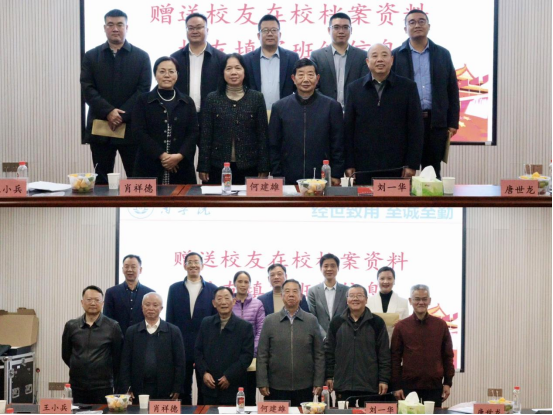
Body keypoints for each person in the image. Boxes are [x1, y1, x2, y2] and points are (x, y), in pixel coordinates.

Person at [81, 9, 152, 185]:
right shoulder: (91, 56)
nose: (115, 29)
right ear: (104, 28)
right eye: (110, 24)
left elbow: (143, 90)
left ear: (126, 27)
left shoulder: (141, 56)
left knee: (137, 179)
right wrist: (108, 112)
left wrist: (120, 115)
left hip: (131, 127)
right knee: (101, 180)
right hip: (101, 126)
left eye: (120, 24)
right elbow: (87, 88)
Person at [392, 9, 460, 179]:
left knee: (432, 172)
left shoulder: (442, 54)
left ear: (429, 26)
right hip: (405, 122)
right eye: (412, 22)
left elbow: (452, 89)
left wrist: (453, 122)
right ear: (405, 28)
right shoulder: (395, 55)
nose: (417, 25)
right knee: (404, 172)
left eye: (421, 21)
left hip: (434, 122)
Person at [344, 44, 424, 185]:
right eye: (374, 56)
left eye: (384, 55)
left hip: (398, 165)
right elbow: (348, 129)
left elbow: (416, 128)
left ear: (392, 60)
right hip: (363, 165)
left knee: (395, 199)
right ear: (367, 62)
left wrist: (412, 164)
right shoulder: (354, 89)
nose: (380, 59)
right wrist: (349, 163)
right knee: (365, 199)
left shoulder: (408, 87)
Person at [269, 59, 345, 185]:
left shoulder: (332, 106)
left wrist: (336, 173)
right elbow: (273, 145)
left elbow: (338, 144)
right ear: (293, 78)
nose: (305, 79)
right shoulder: (279, 107)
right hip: (288, 176)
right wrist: (277, 174)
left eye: (310, 75)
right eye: (301, 75)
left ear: (317, 78)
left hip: (322, 175)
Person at [198, 53, 270, 185]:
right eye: (228, 68)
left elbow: (262, 135)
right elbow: (206, 135)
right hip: (217, 165)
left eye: (238, 68)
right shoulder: (212, 98)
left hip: (249, 165)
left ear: (244, 71)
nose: (233, 72)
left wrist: (264, 167)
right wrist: (203, 165)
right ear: (223, 72)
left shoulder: (257, 98)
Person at [257, 280, 325, 406]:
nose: (291, 295)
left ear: (301, 296)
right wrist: (262, 382)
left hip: (305, 385)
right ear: (282, 296)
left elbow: (319, 354)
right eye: (287, 291)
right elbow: (262, 354)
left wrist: (318, 381)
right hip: (275, 386)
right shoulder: (270, 320)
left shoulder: (311, 320)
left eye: (295, 291)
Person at [132, 56, 199, 185]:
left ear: (177, 75)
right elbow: (138, 132)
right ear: (155, 75)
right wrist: (162, 156)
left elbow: (193, 133)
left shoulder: (187, 101)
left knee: (182, 198)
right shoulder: (143, 100)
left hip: (181, 165)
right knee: (147, 199)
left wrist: (179, 156)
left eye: (171, 71)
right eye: (162, 71)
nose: (167, 75)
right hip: (149, 164)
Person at [325, 285, 392, 406]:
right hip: (342, 385)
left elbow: (384, 354)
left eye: (359, 295)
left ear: (366, 299)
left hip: (370, 386)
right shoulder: (336, 322)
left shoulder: (377, 322)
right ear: (347, 300)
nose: (355, 299)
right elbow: (329, 352)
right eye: (351, 296)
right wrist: (329, 376)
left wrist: (384, 380)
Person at [166, 252, 218, 405]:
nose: (193, 265)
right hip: (181, 346)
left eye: (196, 262)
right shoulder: (174, 289)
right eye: (190, 262)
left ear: (202, 266)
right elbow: (170, 319)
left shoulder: (212, 289)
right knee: (182, 389)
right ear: (184, 266)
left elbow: (215, 322)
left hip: (205, 348)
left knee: (205, 388)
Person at [391, 284, 454, 408]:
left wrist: (448, 382)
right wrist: (396, 386)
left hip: (434, 386)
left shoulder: (440, 325)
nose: (421, 302)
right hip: (408, 386)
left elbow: (447, 356)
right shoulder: (401, 326)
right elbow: (395, 358)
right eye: (417, 299)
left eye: (424, 299)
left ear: (429, 300)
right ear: (410, 301)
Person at [62, 286, 123, 404]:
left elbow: (118, 357)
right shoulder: (71, 326)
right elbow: (66, 355)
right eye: (89, 300)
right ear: (82, 302)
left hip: (103, 387)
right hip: (77, 386)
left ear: (102, 303)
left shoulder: (113, 327)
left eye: (97, 300)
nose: (93, 303)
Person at [119, 293, 185, 400]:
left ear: (161, 308)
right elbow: (125, 362)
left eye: (155, 305)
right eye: (147, 304)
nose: (151, 308)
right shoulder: (132, 331)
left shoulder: (173, 331)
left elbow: (180, 363)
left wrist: (177, 388)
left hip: (166, 389)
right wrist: (127, 387)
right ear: (142, 307)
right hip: (138, 388)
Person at [195, 287, 255, 405]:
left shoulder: (245, 327)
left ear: (234, 301)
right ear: (214, 303)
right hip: (210, 386)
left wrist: (229, 376)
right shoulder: (206, 323)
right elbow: (198, 351)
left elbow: (246, 356)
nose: (223, 302)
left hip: (234, 386)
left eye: (227, 298)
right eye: (219, 299)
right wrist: (204, 372)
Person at [170, 13, 227, 119]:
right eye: (190, 28)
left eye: (199, 27)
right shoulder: (175, 58)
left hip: (213, 116)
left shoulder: (221, 58)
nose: (194, 31)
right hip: (182, 116)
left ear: (207, 30)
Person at [310, 13, 370, 108]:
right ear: (329, 30)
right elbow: (313, 86)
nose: (341, 31)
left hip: (354, 110)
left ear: (351, 30)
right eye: (336, 27)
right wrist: (328, 106)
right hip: (325, 110)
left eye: (345, 27)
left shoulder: (362, 56)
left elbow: (364, 86)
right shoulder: (317, 56)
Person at [243, 15, 300, 110]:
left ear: (280, 34)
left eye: (274, 30)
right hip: (255, 114)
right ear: (258, 35)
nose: (270, 34)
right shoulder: (246, 60)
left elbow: (298, 88)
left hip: (285, 112)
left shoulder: (292, 58)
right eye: (265, 30)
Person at [232, 271, 266, 405]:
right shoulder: (228, 302)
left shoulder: (257, 304)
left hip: (252, 358)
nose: (243, 285)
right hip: (232, 358)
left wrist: (251, 351)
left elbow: (261, 330)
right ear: (234, 283)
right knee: (232, 395)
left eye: (246, 282)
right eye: (240, 281)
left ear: (250, 284)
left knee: (250, 395)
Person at [103, 254, 154, 335]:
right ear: (122, 269)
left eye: (133, 267)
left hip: (143, 337)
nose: (129, 270)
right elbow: (107, 319)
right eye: (126, 267)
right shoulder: (111, 292)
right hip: (118, 338)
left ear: (140, 270)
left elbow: (152, 319)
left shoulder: (150, 293)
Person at [307, 253, 349, 338]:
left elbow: (348, 314)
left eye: (333, 266)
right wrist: (325, 336)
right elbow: (312, 317)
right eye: (326, 266)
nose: (329, 269)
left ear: (338, 268)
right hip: (319, 338)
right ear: (321, 268)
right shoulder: (313, 291)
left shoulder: (347, 291)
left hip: (342, 337)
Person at [367, 267, 410, 344]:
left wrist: (401, 325)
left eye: (389, 278)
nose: (385, 281)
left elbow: (407, 326)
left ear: (394, 281)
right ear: (377, 281)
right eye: (382, 278)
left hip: (395, 343)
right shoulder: (368, 301)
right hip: (373, 343)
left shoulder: (403, 302)